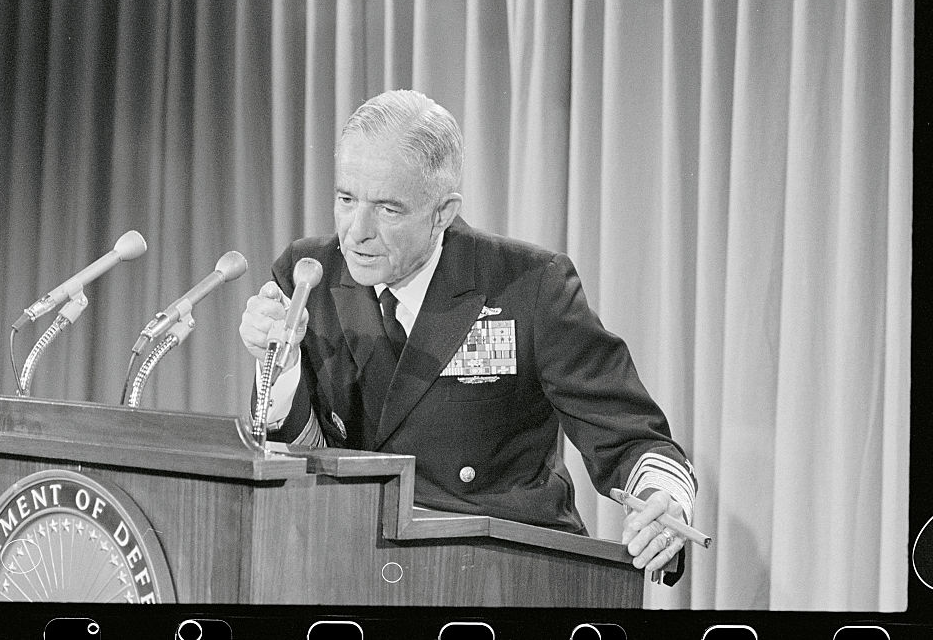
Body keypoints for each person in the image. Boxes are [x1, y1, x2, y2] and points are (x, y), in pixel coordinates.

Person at [240, 89, 697, 584]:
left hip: (501, 573)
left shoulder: (529, 284)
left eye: (388, 209)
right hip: (355, 564)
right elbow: (302, 455)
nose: (357, 231)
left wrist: (662, 504)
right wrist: (278, 370)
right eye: (346, 199)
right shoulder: (310, 274)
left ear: (442, 213)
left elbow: (629, 435)